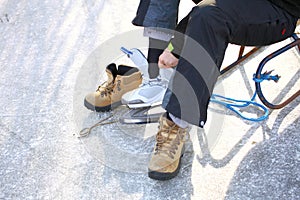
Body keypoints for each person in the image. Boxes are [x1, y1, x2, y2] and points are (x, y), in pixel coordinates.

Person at [148, 0, 299, 180]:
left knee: (209, 16)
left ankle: (177, 121)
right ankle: (150, 67)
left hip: (279, 10)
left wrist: (178, 45)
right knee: (206, 14)